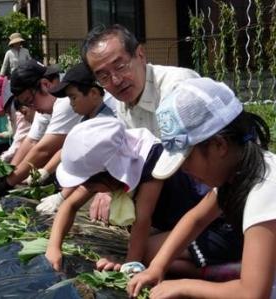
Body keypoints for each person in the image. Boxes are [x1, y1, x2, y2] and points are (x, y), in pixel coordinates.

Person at [126, 77, 275, 299]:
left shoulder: (265, 190)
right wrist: (157, 267)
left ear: (218, 145)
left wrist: (184, 286)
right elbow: (196, 218)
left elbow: (252, 293)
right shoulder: (238, 173)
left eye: (186, 159)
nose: (183, 169)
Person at [45, 117, 242, 278]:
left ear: (108, 172)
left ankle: (223, 271)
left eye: (90, 185)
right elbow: (69, 205)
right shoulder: (111, 162)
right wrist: (54, 248)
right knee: (149, 252)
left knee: (146, 254)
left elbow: (142, 219)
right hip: (185, 223)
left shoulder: (149, 160)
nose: (87, 189)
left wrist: (129, 266)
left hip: (218, 227)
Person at [80, 24, 201, 223]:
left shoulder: (178, 87)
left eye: (120, 66)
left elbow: (190, 161)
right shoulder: (120, 105)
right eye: (103, 76)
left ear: (140, 55)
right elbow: (130, 157)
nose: (116, 80)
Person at [0, 60, 81, 200]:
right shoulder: (45, 102)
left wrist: (8, 183)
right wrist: (9, 171)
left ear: (45, 85)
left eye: (30, 100)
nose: (32, 108)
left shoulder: (65, 100)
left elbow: (44, 150)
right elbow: (31, 141)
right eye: (27, 103)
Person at [35, 62, 116, 214]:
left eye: (73, 97)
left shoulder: (104, 123)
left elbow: (90, 167)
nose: (71, 104)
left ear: (93, 93)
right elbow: (67, 148)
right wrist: (45, 171)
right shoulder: (88, 117)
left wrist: (62, 197)